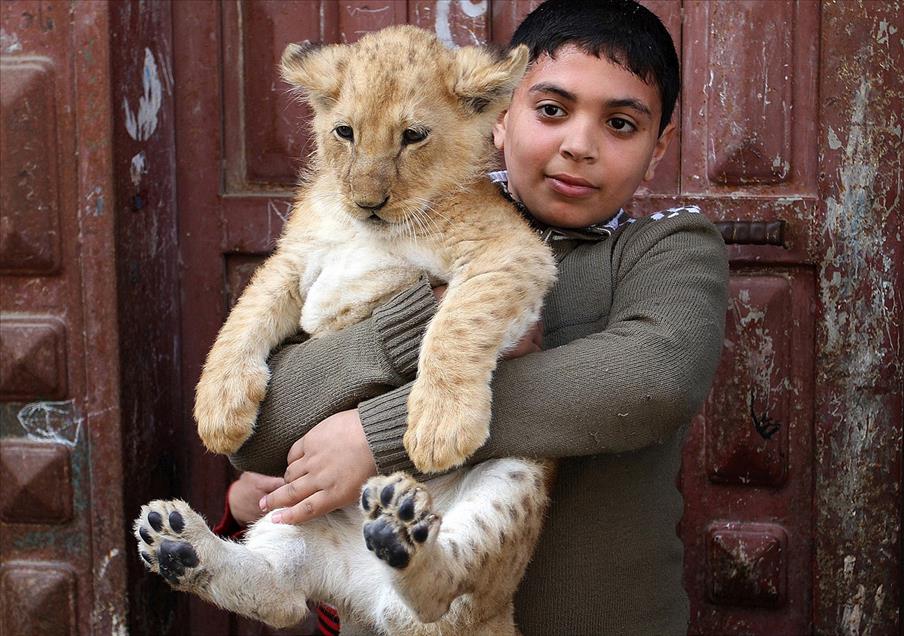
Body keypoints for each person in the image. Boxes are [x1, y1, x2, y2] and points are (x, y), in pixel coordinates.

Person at [227, 0, 729, 632]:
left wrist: (376, 434)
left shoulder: (667, 247)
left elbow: (650, 381)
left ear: (659, 148)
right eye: (551, 110)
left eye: (621, 124)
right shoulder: (399, 223)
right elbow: (258, 434)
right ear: (496, 116)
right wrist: (411, 326)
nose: (579, 146)